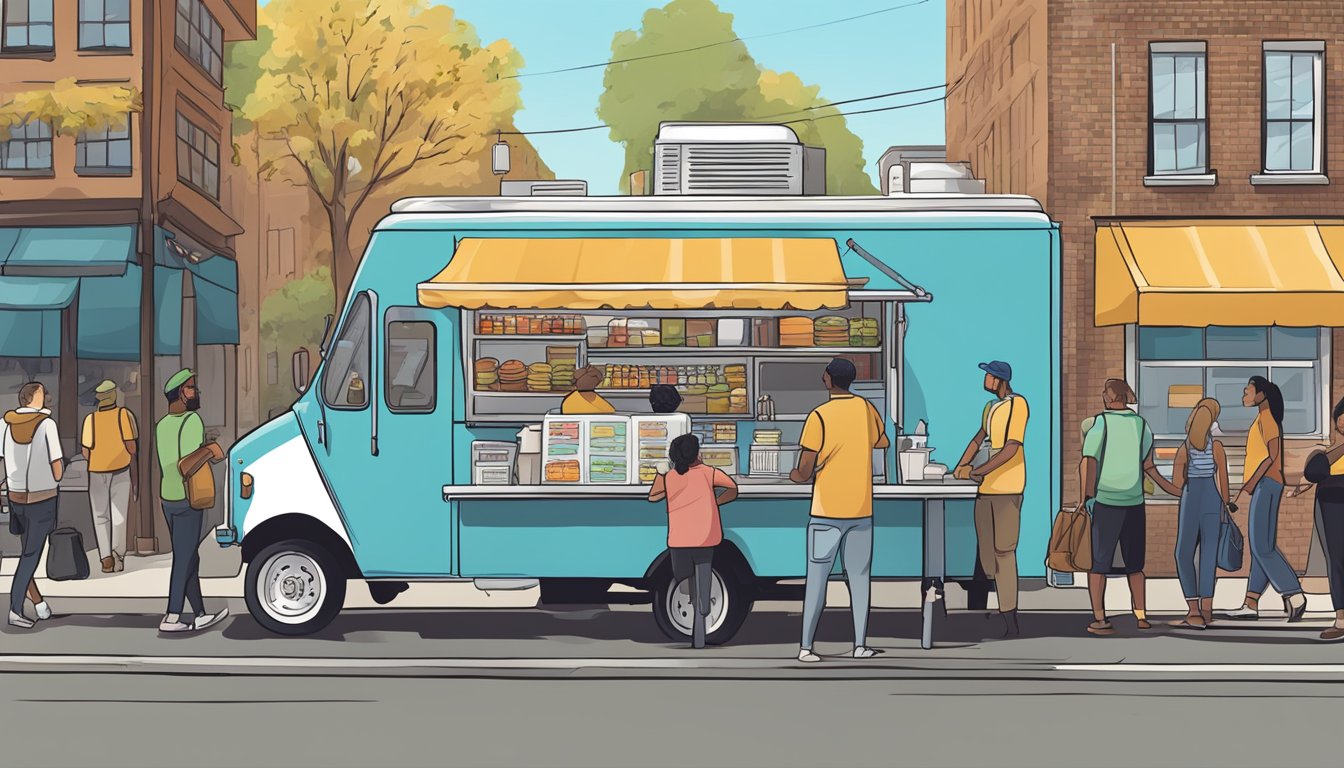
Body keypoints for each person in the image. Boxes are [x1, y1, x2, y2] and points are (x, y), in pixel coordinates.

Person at [790, 358, 890, 662]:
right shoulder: (866, 409)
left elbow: (805, 470)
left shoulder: (819, 416)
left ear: (828, 379)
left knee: (817, 581)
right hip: (861, 510)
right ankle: (860, 645)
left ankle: (807, 647)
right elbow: (881, 441)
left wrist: (796, 475)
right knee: (859, 580)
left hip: (825, 513)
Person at [1078, 378, 1180, 636]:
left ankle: (1100, 618)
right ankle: (1141, 616)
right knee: (1135, 564)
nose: (1103, 396)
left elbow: (1089, 462)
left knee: (1099, 564)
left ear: (1111, 397)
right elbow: (1148, 467)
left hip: (1105, 503)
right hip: (1135, 503)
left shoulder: (1100, 423)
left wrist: (1086, 497)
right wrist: (1174, 491)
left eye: (1105, 392)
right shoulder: (1141, 426)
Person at [953, 360, 1028, 638]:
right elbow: (977, 439)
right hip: (985, 489)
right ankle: (982, 612)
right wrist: (959, 466)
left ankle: (1010, 618)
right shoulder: (989, 408)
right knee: (986, 554)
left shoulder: (1017, 405)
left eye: (988, 376)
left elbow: (1011, 448)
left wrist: (977, 471)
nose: (985, 379)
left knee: (1004, 553)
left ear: (999, 380)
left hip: (1007, 487)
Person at [1225, 376, 1307, 621]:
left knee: (1261, 546)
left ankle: (1294, 592)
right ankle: (1251, 603)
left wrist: (1249, 485)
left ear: (1261, 394)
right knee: (1262, 546)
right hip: (1266, 484)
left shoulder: (1267, 418)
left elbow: (1271, 457)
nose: (1244, 393)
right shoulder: (1262, 418)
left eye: (1248, 389)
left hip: (1266, 484)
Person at [154, 369, 228, 633]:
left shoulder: (161, 424)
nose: (196, 392)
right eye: (191, 388)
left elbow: (172, 461)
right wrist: (210, 449)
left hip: (168, 498)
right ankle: (172, 616)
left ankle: (199, 614)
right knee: (183, 559)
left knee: (189, 557)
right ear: (180, 395)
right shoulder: (193, 420)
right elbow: (187, 464)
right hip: (188, 499)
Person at [647, 433, 738, 648]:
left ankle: (698, 623)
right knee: (699, 582)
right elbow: (733, 488)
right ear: (697, 454)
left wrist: (660, 474)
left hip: (680, 540)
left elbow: (653, 496)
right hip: (706, 538)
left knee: (685, 579)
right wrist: (716, 502)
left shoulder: (670, 477)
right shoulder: (709, 473)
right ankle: (701, 609)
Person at [1, 382, 61, 628]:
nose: (46, 396)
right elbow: (56, 462)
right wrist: (56, 478)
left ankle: (37, 602)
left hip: (16, 497)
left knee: (28, 551)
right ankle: (15, 609)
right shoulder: (47, 425)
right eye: (43, 393)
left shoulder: (4, 423)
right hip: (42, 497)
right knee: (31, 555)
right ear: (34, 398)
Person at [1167, 398, 1229, 629]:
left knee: (1183, 553)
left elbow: (1176, 485)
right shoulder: (1218, 447)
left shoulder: (1184, 449)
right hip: (1213, 501)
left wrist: (1154, 479)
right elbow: (1223, 483)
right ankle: (1207, 610)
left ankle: (1193, 610)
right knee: (1209, 555)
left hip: (1191, 498)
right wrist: (1227, 505)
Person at [81, 380, 139, 574]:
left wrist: (100, 458)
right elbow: (132, 447)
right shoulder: (124, 415)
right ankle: (117, 555)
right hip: (120, 470)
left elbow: (85, 451)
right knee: (119, 516)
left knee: (100, 516)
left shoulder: (90, 419)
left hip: (96, 472)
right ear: (114, 395)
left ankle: (105, 558)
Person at [1303, 397, 1344, 641]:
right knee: (1337, 560)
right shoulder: (1327, 453)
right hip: (1330, 501)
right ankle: (1341, 618)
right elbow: (1313, 472)